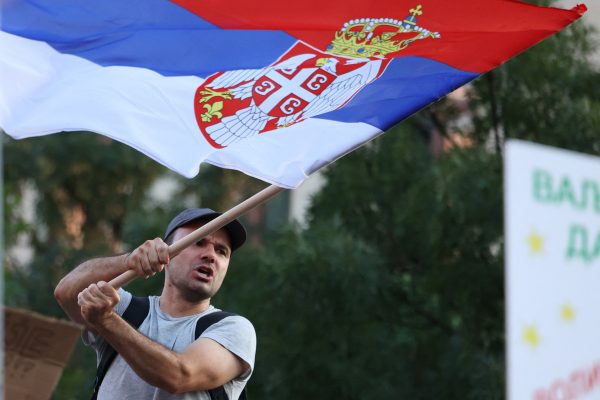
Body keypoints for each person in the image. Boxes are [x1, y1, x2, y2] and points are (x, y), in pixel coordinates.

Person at [54, 208, 256, 400]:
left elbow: (179, 375)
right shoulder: (125, 310)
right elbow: (67, 291)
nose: (211, 256)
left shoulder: (234, 330)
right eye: (198, 242)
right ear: (167, 252)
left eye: (222, 251)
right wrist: (127, 261)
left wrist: (107, 321)